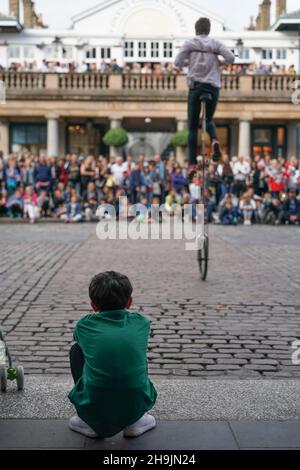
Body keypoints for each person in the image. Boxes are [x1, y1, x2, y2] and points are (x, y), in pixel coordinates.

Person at [68, 271, 157, 438]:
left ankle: (88, 419)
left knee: (77, 351)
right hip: (135, 402)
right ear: (129, 302)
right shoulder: (143, 323)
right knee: (131, 354)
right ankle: (135, 421)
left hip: (94, 403)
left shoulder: (84, 325)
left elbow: (83, 345)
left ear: (94, 305)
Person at [174, 17, 235, 166]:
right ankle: (214, 140)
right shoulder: (215, 43)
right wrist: (219, 61)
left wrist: (189, 61)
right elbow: (231, 58)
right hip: (213, 87)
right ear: (208, 30)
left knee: (193, 126)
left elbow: (177, 63)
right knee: (208, 120)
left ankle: (193, 163)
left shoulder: (190, 43)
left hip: (196, 86)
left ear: (196, 30)